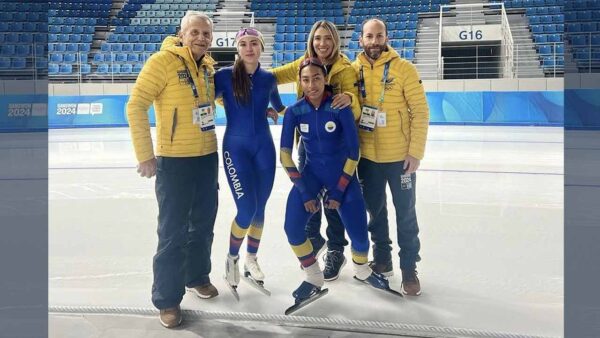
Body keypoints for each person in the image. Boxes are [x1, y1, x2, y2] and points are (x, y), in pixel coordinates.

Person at [126, 11, 219, 328]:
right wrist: (145, 154)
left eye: (206, 34)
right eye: (195, 32)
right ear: (181, 34)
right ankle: (167, 299)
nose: (201, 38)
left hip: (207, 159)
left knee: (203, 225)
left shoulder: (208, 66)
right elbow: (136, 104)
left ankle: (197, 277)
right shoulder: (161, 62)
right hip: (174, 162)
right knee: (172, 233)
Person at [280, 58, 389, 304]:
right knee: (292, 228)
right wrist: (305, 191)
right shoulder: (294, 112)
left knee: (360, 236)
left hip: (343, 177)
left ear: (325, 79)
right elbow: (285, 155)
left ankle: (362, 270)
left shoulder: (340, 107)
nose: (311, 84)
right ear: (300, 82)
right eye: (305, 80)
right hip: (311, 175)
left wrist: (339, 190)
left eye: (316, 78)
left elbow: (354, 153)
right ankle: (313, 277)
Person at [272, 20, 360, 281]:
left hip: (338, 150)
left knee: (335, 203)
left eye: (328, 39)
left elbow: (357, 107)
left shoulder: (346, 69)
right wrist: (278, 109)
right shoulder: (303, 63)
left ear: (335, 41)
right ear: (312, 40)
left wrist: (351, 100)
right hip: (307, 146)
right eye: (318, 38)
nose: (323, 43)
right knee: (307, 197)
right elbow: (269, 78)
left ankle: (336, 249)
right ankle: (314, 240)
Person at [353, 18, 430, 296]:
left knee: (406, 215)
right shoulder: (353, 71)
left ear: (386, 37)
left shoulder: (404, 69)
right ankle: (383, 260)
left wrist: (415, 152)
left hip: (400, 159)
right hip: (369, 160)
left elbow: (420, 112)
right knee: (376, 214)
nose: (374, 41)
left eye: (379, 36)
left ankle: (409, 268)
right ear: (360, 39)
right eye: (369, 36)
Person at [213, 28, 285, 292]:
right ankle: (232, 258)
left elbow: (280, 108)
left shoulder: (269, 79)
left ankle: (251, 259)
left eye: (254, 43)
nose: (249, 48)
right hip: (236, 148)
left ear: (261, 48)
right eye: (243, 44)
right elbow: (204, 100)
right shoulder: (223, 76)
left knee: (260, 209)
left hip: (264, 148)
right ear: (237, 49)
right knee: (246, 210)